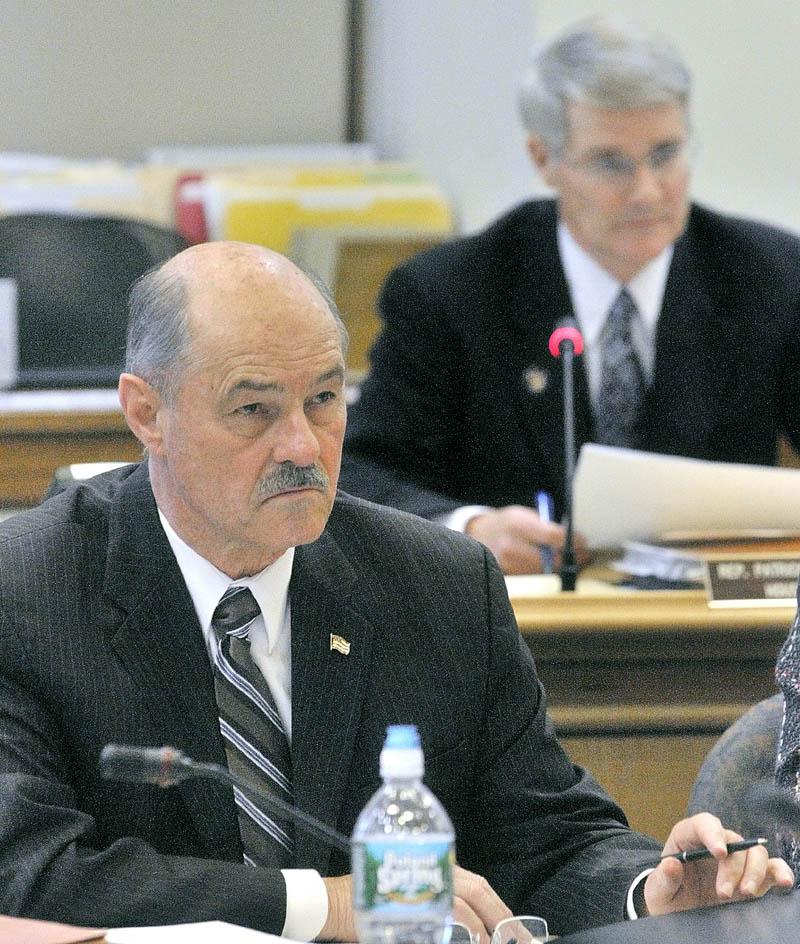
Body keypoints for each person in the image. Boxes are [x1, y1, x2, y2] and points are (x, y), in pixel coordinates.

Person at [0, 241, 792, 939]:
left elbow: (547, 838)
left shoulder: (440, 583)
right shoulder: (25, 592)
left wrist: (645, 891)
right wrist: (329, 905)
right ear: (147, 412)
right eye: (254, 409)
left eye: (322, 398)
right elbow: (31, 873)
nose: (303, 445)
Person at [340, 14, 800, 575]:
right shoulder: (454, 294)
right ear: (544, 160)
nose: (647, 192)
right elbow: (356, 474)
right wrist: (470, 527)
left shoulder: (768, 276)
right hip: (522, 634)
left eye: (665, 155)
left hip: (714, 629)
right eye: (611, 163)